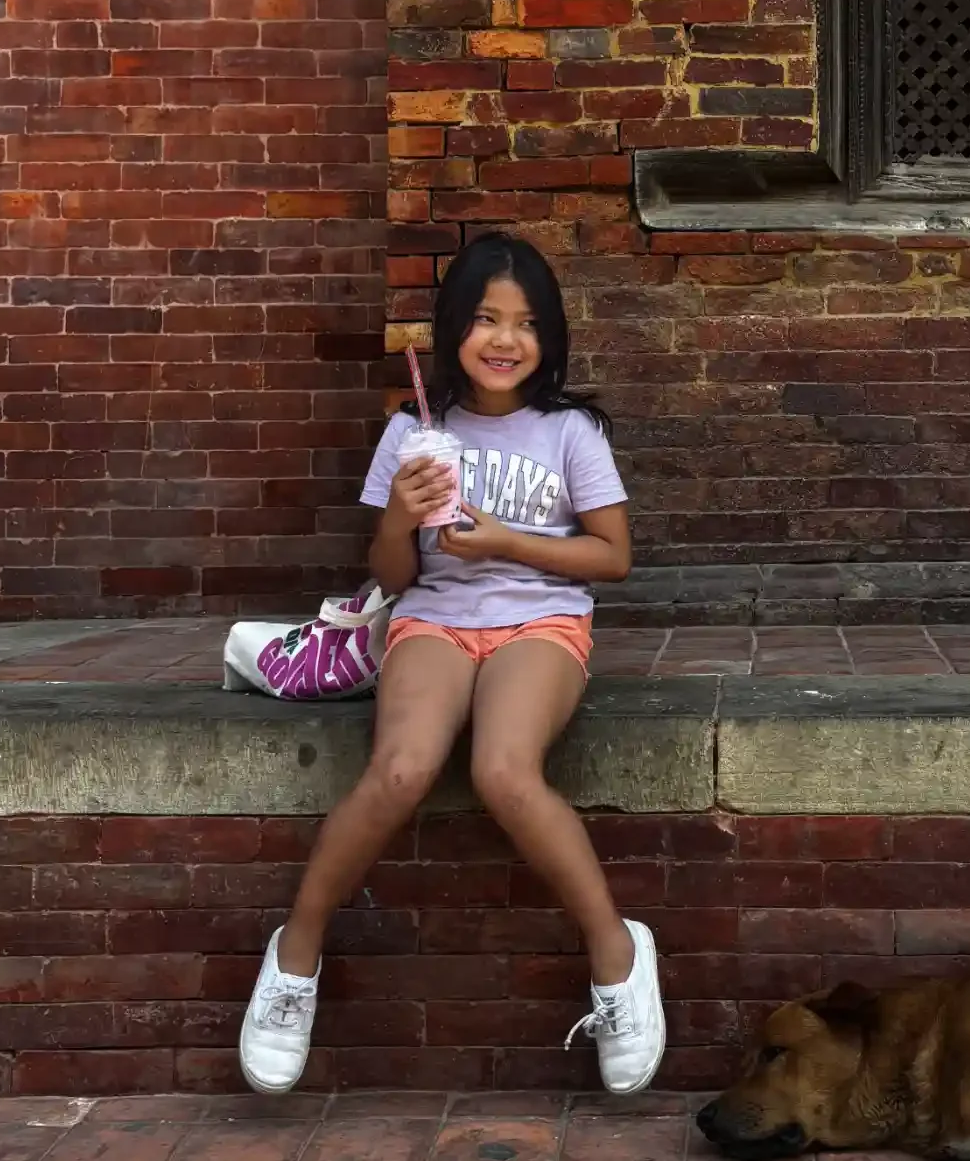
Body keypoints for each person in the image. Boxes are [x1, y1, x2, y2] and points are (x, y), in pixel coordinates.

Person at [237, 232, 663, 1097]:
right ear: (452, 329)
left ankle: (617, 954)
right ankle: (294, 955)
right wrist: (400, 515)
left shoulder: (570, 431)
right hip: (434, 618)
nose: (505, 340)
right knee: (401, 769)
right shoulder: (412, 432)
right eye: (485, 319)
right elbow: (394, 575)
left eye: (527, 324)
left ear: (550, 337)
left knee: (504, 771)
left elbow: (613, 557)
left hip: (540, 621)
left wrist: (508, 542)